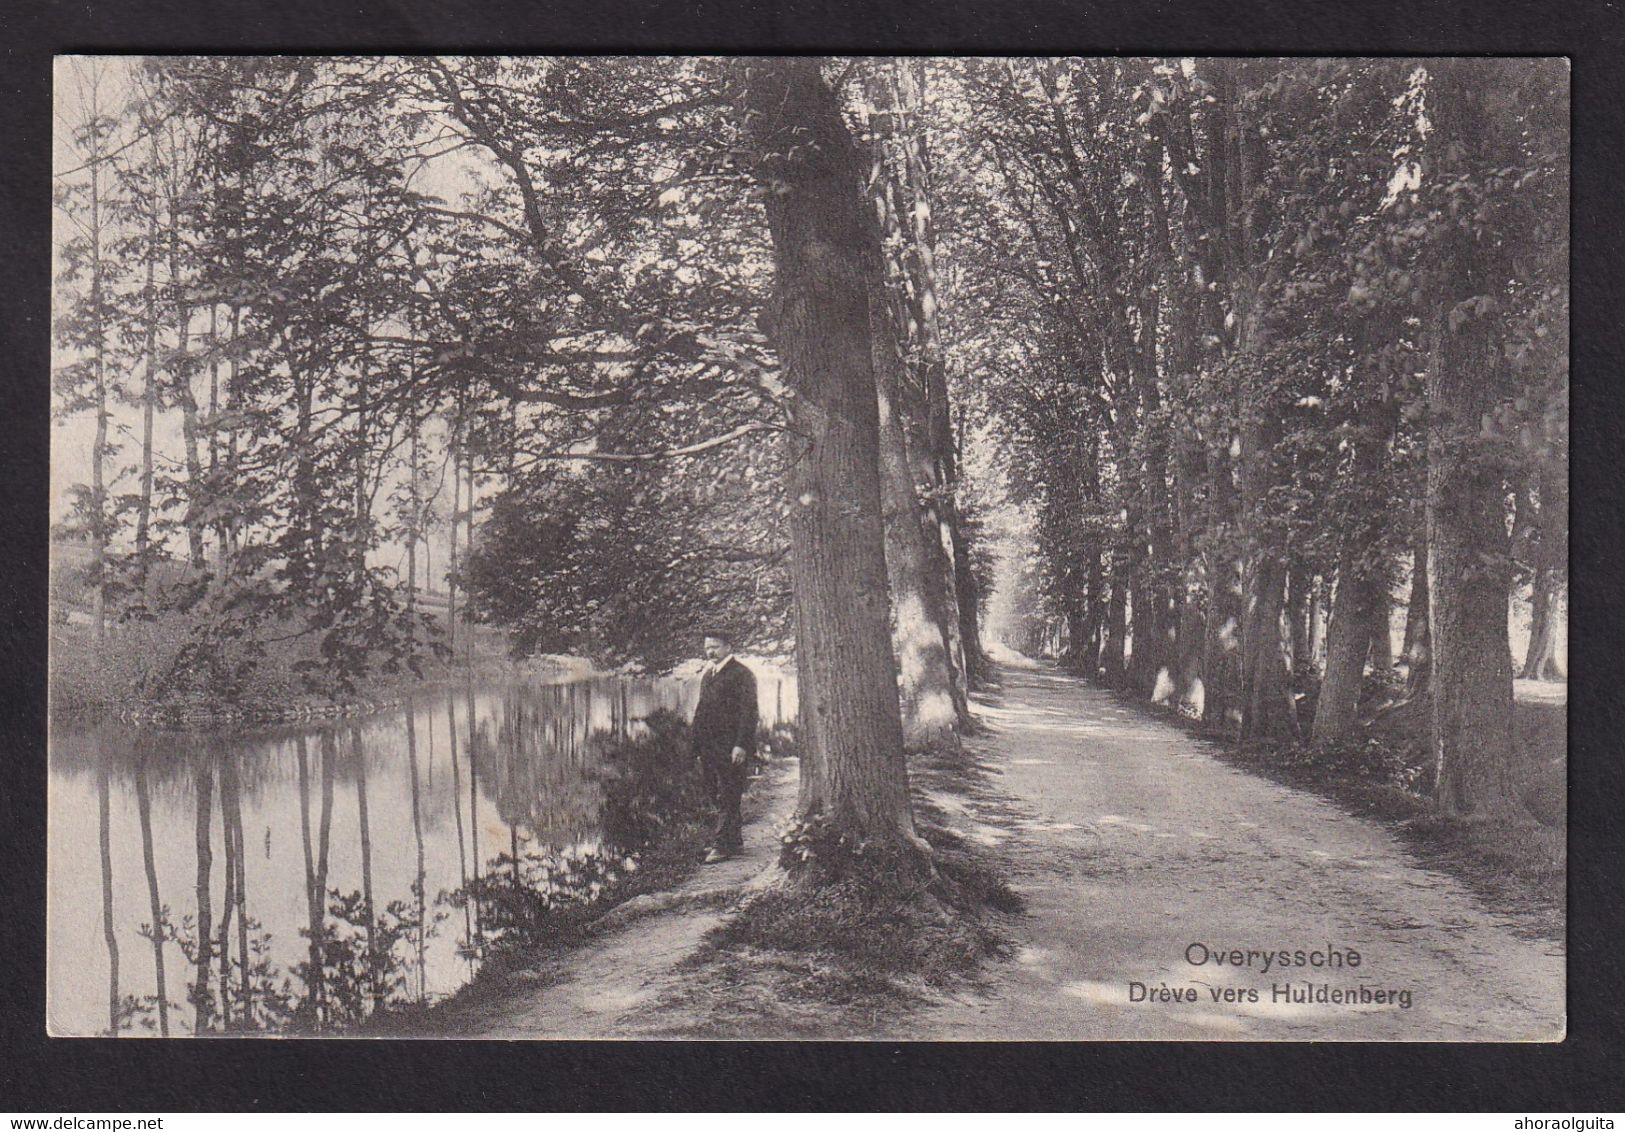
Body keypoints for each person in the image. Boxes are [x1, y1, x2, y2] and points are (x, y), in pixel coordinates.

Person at [689, 630, 758, 863]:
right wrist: (695, 745)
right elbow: (701, 711)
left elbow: (749, 713)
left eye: (715, 647)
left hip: (731, 747)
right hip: (709, 747)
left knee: (729, 794)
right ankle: (734, 839)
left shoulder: (742, 675)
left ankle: (722, 845)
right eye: (707, 647)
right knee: (714, 793)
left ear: (729, 647)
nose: (710, 651)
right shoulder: (709, 675)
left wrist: (741, 745)